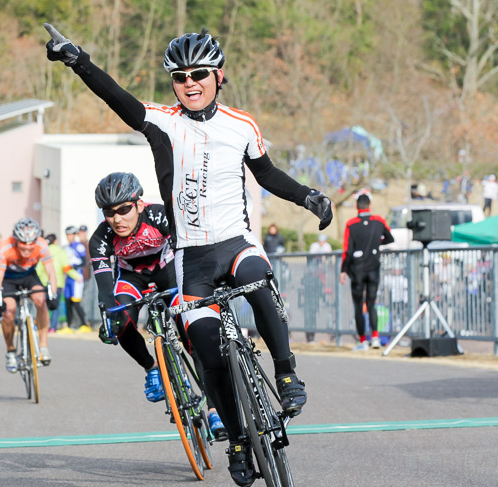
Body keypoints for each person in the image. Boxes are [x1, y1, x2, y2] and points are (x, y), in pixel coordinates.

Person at [46, 25, 332, 485]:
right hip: (192, 259)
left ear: (219, 76)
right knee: (206, 348)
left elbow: (267, 174)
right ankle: (238, 439)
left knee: (259, 281)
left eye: (200, 74)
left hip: (236, 242)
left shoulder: (242, 125)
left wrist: (308, 197)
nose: (190, 83)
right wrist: (77, 59)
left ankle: (285, 373)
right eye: (180, 77)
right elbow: (118, 98)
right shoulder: (164, 122)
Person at [89, 172, 227, 440]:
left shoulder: (160, 215)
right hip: (132, 279)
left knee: (192, 334)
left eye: (124, 209)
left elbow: (190, 252)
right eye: (109, 212)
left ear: (139, 204)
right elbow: (105, 292)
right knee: (119, 319)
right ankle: (152, 368)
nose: (117, 219)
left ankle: (214, 409)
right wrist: (108, 319)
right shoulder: (101, 238)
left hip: (169, 272)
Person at [0, 218, 59, 372]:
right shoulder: (4, 247)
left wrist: (53, 294)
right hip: (9, 279)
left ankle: (43, 347)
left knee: (40, 300)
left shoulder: (41, 244)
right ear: (16, 241)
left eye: (31, 245)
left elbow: (50, 271)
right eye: (23, 245)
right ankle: (10, 351)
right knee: (9, 311)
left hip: (29, 276)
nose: (28, 249)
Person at [339, 194, 394, 351]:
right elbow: (390, 238)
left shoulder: (351, 224)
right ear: (369, 205)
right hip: (373, 268)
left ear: (357, 206)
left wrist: (343, 270)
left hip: (357, 270)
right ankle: (375, 337)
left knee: (358, 305)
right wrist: (378, 242)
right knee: (371, 303)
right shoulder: (379, 221)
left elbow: (347, 250)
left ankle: (363, 340)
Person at [36, 233, 79, 332]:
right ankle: (53, 327)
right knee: (54, 305)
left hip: (44, 283)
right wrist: (76, 276)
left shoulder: (43, 252)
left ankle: (43, 326)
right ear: (55, 241)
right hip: (57, 283)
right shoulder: (60, 252)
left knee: (44, 306)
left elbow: (38, 268)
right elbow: (66, 267)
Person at [63, 225, 90, 332]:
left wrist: (73, 266)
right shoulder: (66, 247)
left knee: (76, 301)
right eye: (67, 235)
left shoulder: (78, 246)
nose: (69, 237)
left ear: (75, 235)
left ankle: (84, 324)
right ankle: (69, 325)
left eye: (71, 234)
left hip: (77, 277)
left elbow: (84, 261)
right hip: (68, 277)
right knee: (67, 301)